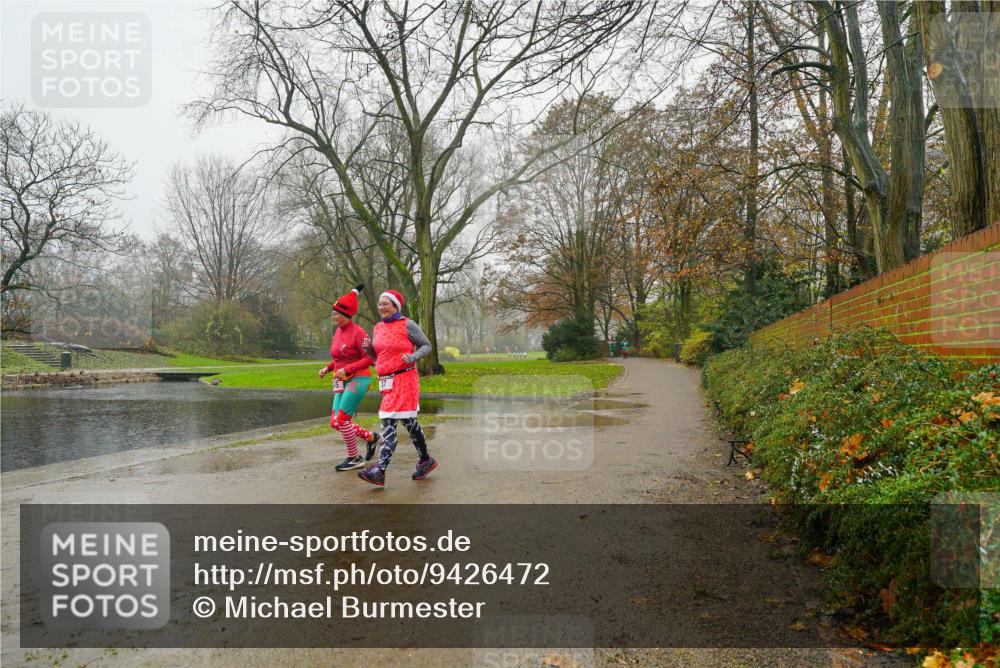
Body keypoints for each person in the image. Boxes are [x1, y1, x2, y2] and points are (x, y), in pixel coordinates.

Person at [357, 289, 436, 487]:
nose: (381, 307)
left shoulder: (407, 324)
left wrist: (413, 357)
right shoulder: (378, 327)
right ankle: (426, 460)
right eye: (380, 304)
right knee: (409, 422)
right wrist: (368, 348)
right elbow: (377, 357)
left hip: (405, 379)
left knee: (388, 420)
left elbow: (426, 345)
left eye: (385, 304)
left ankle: (380, 470)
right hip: (387, 382)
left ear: (395, 306)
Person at [318, 284, 380, 472]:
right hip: (340, 380)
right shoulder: (337, 331)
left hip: (358, 380)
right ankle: (371, 438)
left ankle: (355, 458)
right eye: (332, 313)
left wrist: (347, 369)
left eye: (335, 314)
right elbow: (339, 357)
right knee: (335, 422)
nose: (332, 317)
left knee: (342, 420)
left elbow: (370, 358)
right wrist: (328, 368)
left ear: (345, 314)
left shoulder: (359, 333)